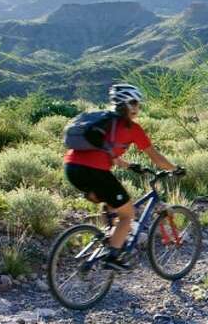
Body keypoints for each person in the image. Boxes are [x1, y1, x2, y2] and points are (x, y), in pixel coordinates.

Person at [64, 84, 178, 270]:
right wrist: (175, 168)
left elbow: (108, 152)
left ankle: (109, 236)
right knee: (128, 214)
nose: (137, 108)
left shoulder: (105, 122)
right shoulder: (132, 128)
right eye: (134, 103)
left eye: (138, 103)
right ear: (126, 104)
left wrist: (130, 165)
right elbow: (156, 158)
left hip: (72, 169)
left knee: (111, 202)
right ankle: (113, 257)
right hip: (95, 171)